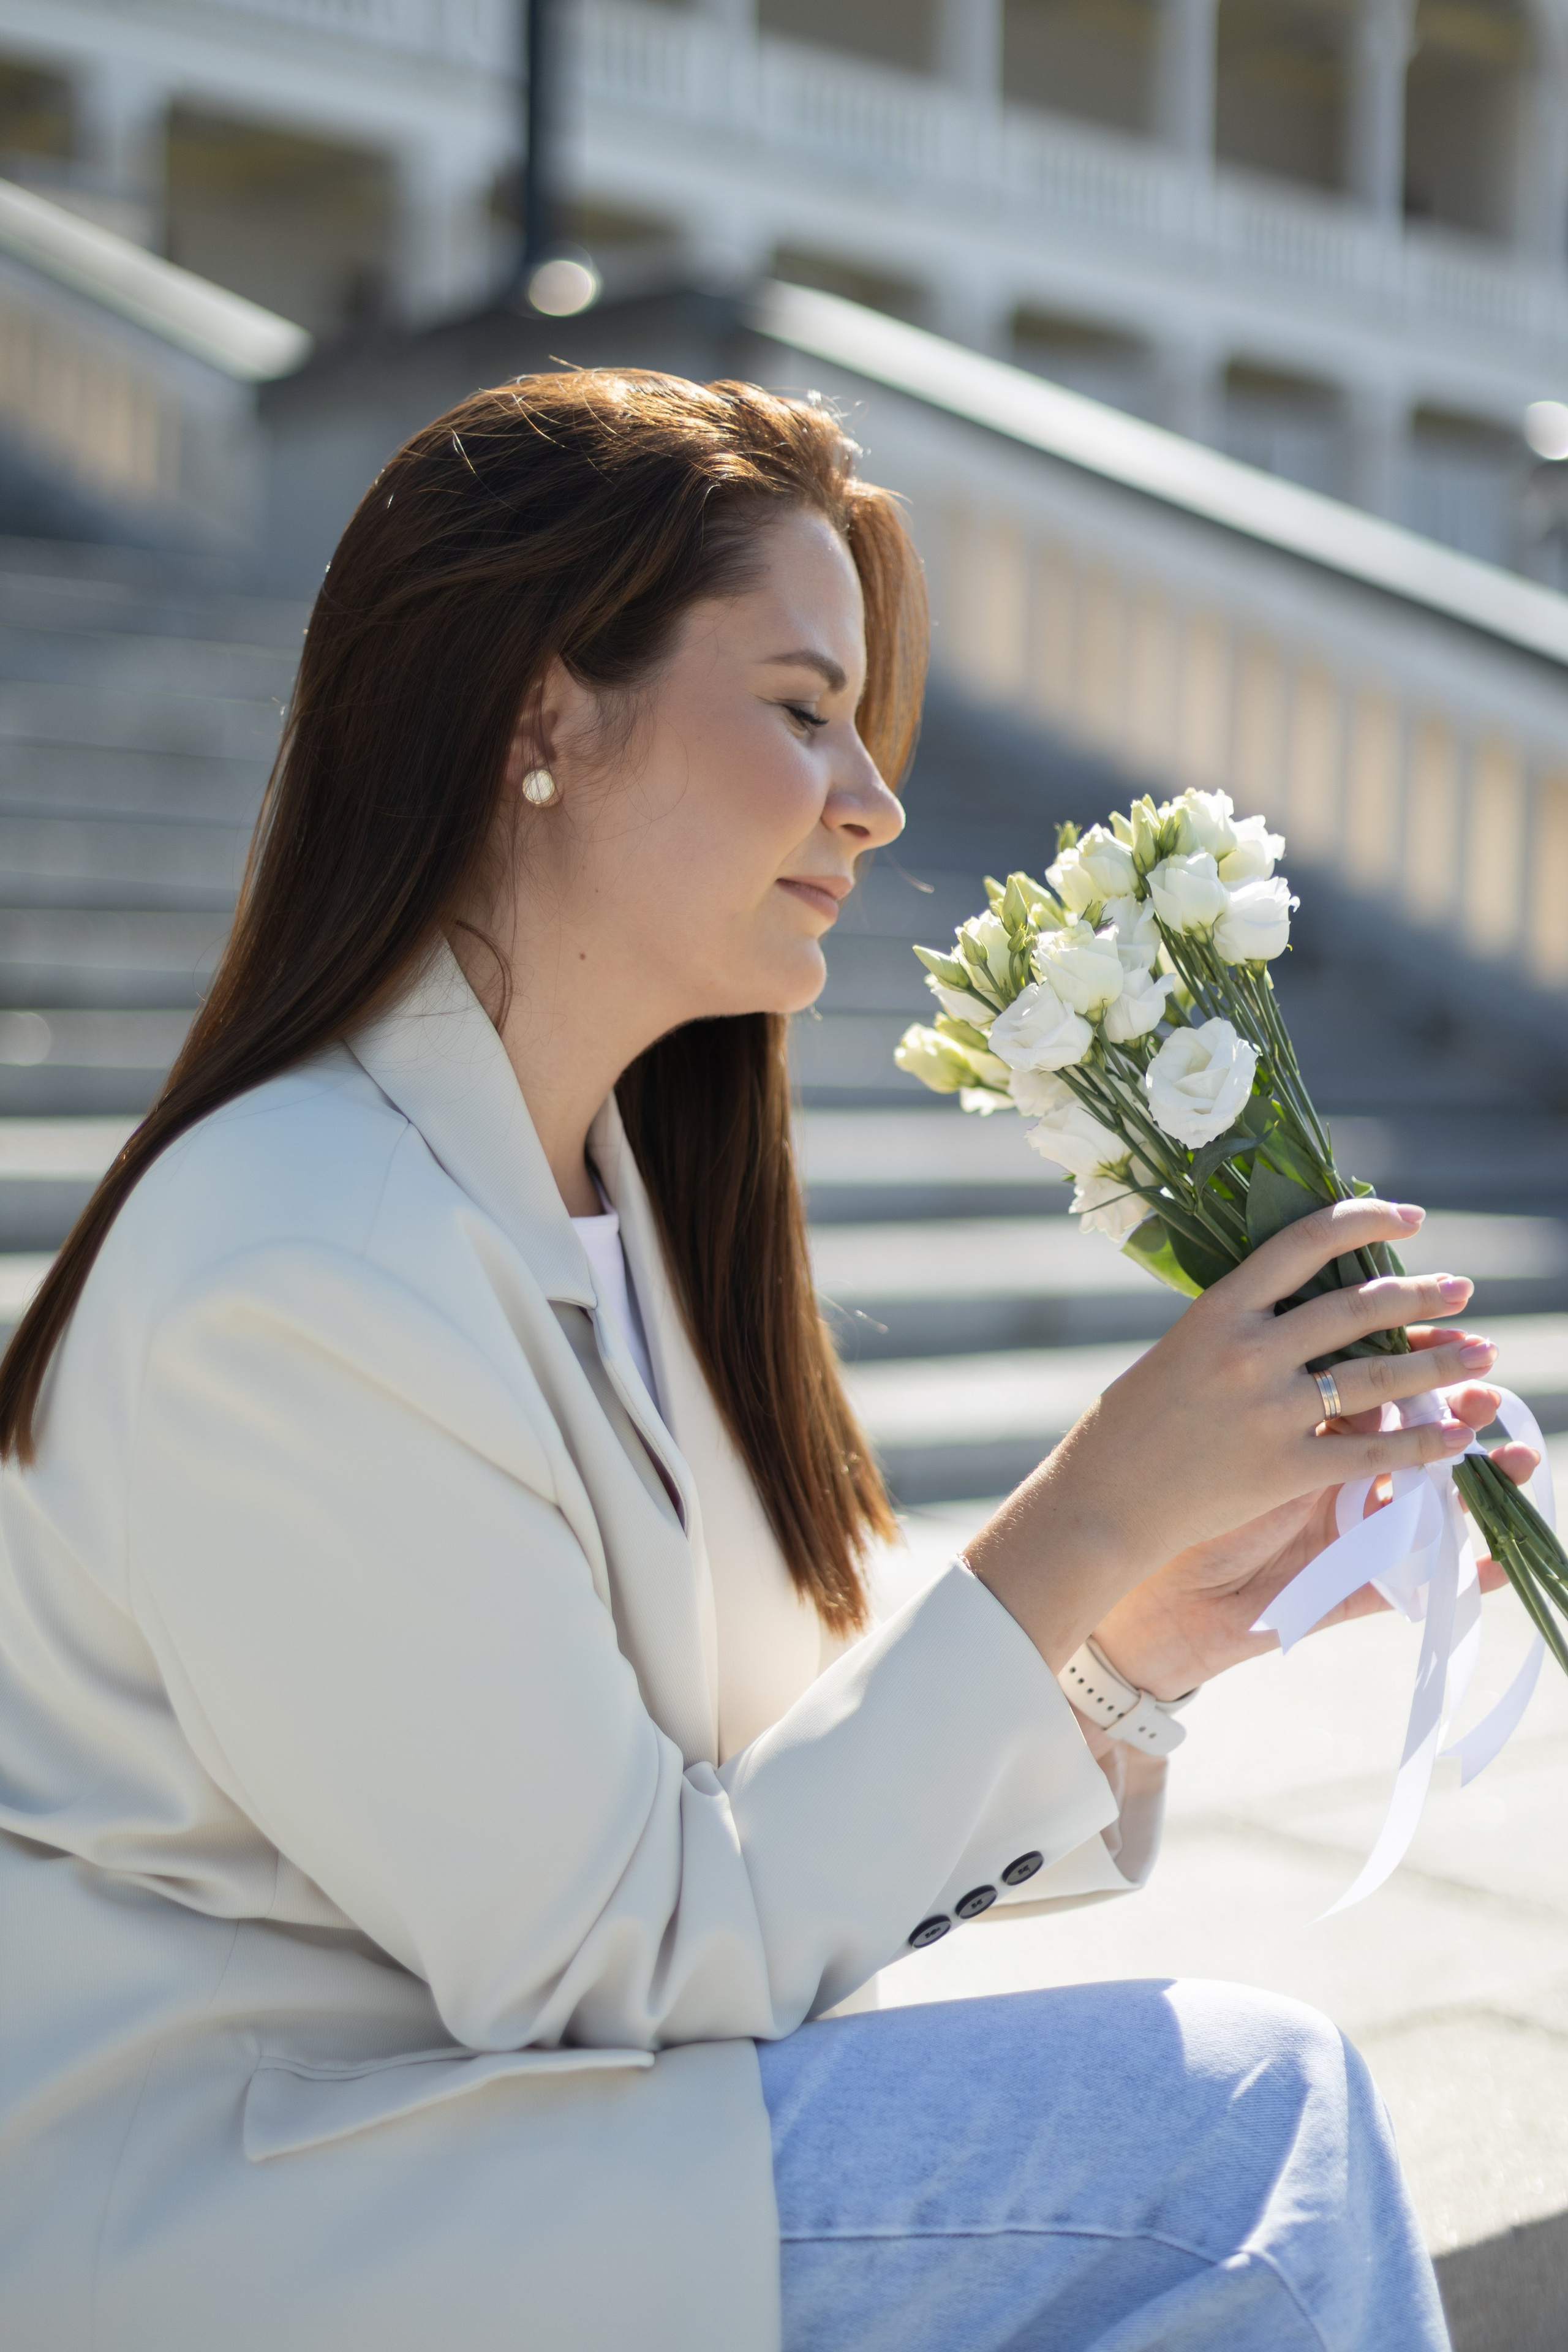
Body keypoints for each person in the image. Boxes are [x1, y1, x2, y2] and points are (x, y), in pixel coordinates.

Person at [0, 372, 1526, 2352]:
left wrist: (1136, 1637)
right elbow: (625, 1948)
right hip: (270, 2227)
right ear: (544, 717)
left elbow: (735, 1828)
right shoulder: (298, 1266)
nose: (874, 801)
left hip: (502, 2155)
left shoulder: (600, 1198)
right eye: (803, 713)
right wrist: (1086, 1515)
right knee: (1234, 2136)